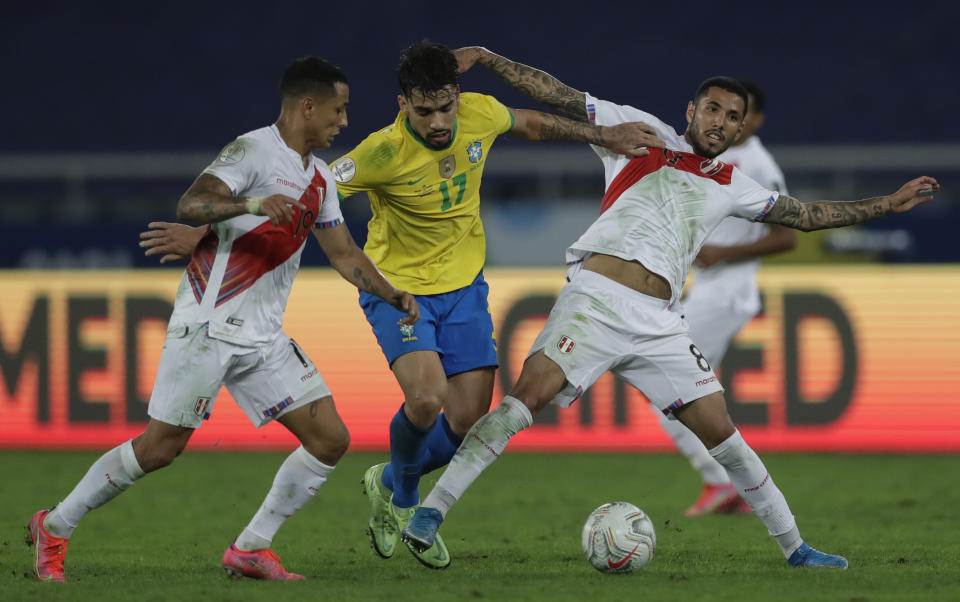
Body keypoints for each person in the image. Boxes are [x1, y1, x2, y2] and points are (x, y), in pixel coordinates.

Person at [400, 46, 939, 569]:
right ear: (691, 111)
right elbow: (560, 96)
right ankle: (430, 514)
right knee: (523, 402)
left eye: (733, 117)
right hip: (595, 302)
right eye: (712, 109)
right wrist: (489, 59)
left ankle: (796, 549)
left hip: (659, 325)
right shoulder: (641, 132)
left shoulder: (732, 184)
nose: (720, 122)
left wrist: (890, 203)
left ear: (740, 129)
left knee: (725, 437)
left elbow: (806, 215)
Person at [26, 56, 420, 583]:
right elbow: (192, 204)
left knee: (329, 438)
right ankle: (55, 524)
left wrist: (391, 293)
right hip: (210, 326)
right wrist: (252, 202)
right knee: (161, 448)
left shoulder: (321, 178)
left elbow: (344, 253)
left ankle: (251, 547)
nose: (343, 122)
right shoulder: (254, 150)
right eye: (338, 109)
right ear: (308, 105)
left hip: (263, 338)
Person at [330, 41, 663, 569]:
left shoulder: (479, 113)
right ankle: (405, 503)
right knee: (425, 400)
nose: (439, 122)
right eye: (424, 111)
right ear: (403, 105)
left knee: (466, 419)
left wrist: (605, 136)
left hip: (465, 290)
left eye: (446, 107)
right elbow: (317, 191)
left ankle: (387, 478)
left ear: (457, 97)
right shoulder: (380, 153)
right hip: (399, 291)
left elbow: (530, 124)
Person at [651, 79, 797, 517]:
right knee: (679, 389)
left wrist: (722, 253)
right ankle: (729, 484)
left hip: (728, 293)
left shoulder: (758, 165)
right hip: (708, 291)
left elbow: (786, 238)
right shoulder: (719, 157)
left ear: (757, 119)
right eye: (721, 112)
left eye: (739, 114)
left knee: (667, 383)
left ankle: (724, 484)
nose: (728, 121)